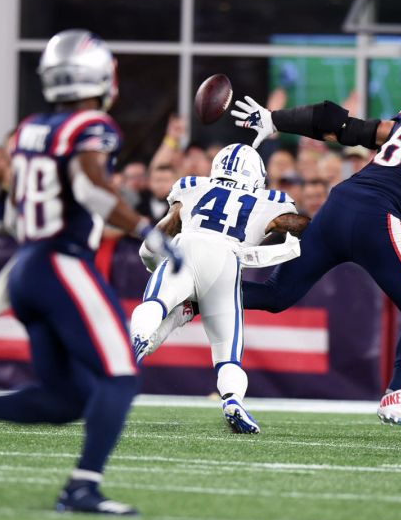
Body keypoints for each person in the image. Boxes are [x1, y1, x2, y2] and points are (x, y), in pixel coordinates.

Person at [0, 29, 182, 516]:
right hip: (62, 262)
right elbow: (92, 190)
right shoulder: (91, 127)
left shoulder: (29, 128)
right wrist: (147, 229)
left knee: (66, 398)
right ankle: (82, 488)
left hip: (27, 268)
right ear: (98, 76)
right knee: (122, 376)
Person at [230, 97, 401, 437]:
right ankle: (398, 394)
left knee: (276, 293)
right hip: (379, 217)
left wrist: (276, 119)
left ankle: (192, 295)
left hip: (339, 204)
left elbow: (343, 126)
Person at [130, 143, 308, 433]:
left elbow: (159, 235)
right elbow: (296, 225)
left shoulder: (192, 186)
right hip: (227, 263)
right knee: (227, 352)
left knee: (157, 304)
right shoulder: (270, 200)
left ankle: (139, 338)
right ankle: (233, 400)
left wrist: (151, 262)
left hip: (189, 248)